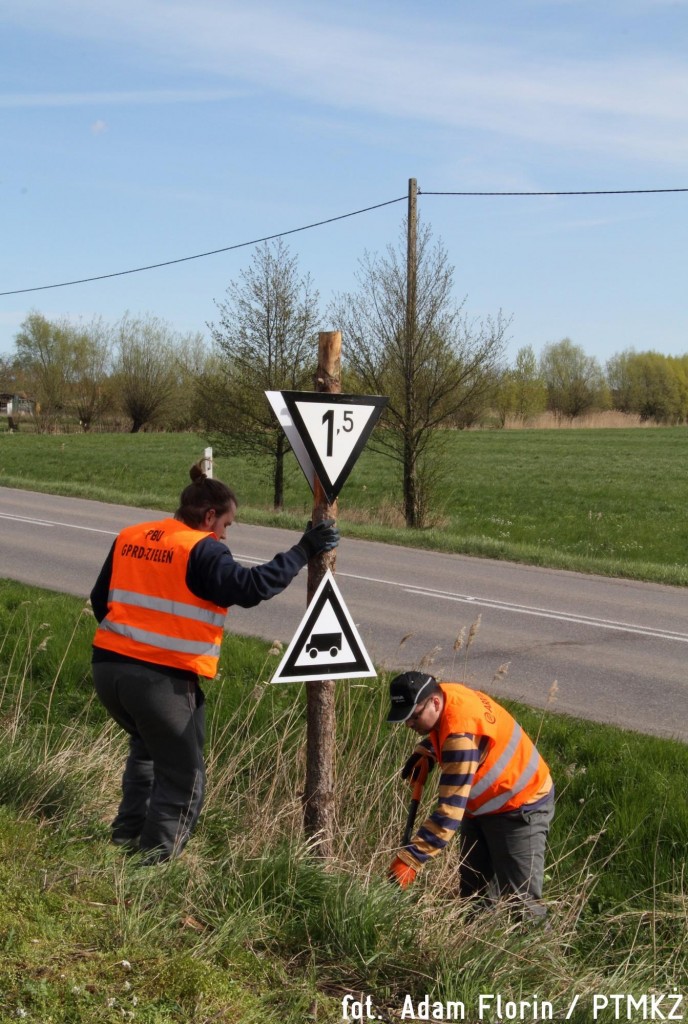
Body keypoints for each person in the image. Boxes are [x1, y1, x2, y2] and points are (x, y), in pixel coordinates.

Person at [90, 462, 339, 864]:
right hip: (162, 681)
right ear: (209, 517)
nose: (225, 533)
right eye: (227, 524)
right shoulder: (201, 548)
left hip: (108, 671)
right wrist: (303, 549)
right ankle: (153, 865)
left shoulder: (130, 536)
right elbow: (252, 587)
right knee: (184, 780)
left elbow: (101, 602)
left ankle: (125, 839)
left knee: (148, 752)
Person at [386, 671, 554, 920]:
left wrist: (410, 859)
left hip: (520, 807)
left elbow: (449, 814)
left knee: (521, 905)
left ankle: (537, 957)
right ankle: (477, 948)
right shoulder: (445, 694)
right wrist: (429, 750)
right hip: (481, 806)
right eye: (405, 717)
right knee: (474, 895)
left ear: (433, 702)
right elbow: (449, 724)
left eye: (414, 716)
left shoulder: (459, 740)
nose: (409, 723)